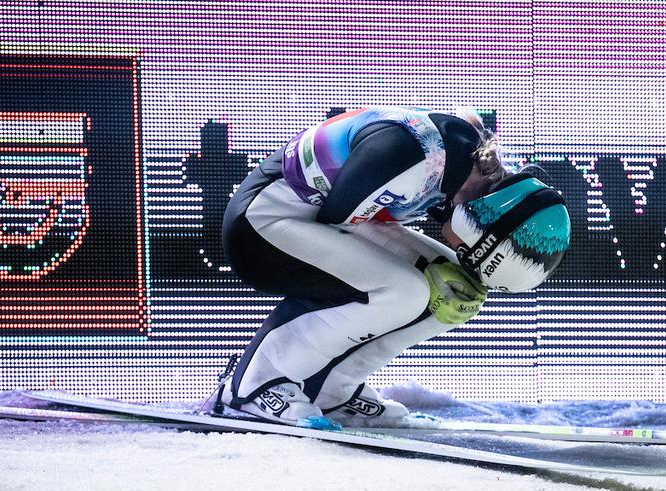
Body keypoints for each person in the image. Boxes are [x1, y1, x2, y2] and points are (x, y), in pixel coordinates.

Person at [210, 106, 570, 425]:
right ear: (484, 230)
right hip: (260, 226)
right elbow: (336, 228)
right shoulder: (412, 160)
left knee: (457, 292)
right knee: (405, 290)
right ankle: (254, 385)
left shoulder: (467, 160)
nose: (461, 253)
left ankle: (334, 392)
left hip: (311, 220)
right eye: (471, 255)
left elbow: (353, 226)